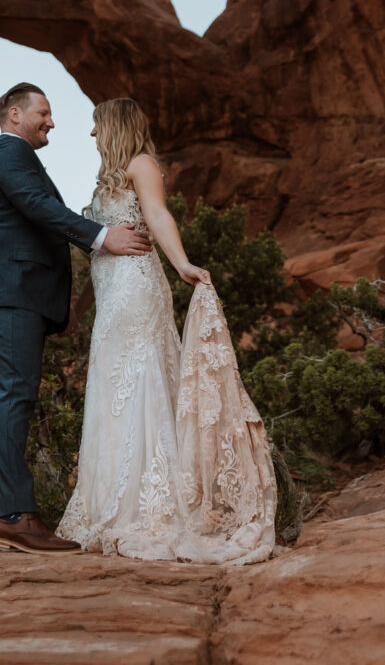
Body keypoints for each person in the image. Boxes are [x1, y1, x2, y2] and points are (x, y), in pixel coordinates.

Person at [57, 98, 277, 564]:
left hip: (138, 292)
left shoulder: (142, 164)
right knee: (111, 387)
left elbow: (156, 217)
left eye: (97, 126)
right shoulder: (108, 179)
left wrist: (182, 265)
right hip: (109, 297)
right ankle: (110, 504)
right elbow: (103, 250)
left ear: (114, 126)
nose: (92, 135)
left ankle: (150, 507)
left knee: (140, 382)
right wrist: (80, 308)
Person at [0, 83, 153, 555]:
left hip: (17, 295)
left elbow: (36, 222)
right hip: (9, 294)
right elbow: (40, 208)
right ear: (14, 114)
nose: (51, 121)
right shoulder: (8, 154)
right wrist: (103, 236)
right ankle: (14, 517)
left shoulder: (17, 156)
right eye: (43, 113)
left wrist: (61, 303)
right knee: (12, 398)